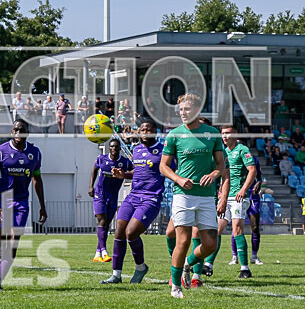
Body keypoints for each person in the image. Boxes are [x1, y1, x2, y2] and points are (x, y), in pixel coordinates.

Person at [160, 93, 227, 298]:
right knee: (183, 240)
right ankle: (175, 287)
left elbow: (221, 165)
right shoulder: (174, 135)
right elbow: (163, 166)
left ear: (197, 110)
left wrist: (214, 174)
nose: (183, 113)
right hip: (183, 195)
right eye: (180, 110)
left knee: (210, 244)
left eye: (187, 109)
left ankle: (188, 264)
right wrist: (179, 179)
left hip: (206, 196)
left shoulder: (212, 133)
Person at [0, 120, 47, 290]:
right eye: (15, 130)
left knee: (14, 242)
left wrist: (43, 206)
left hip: (21, 201)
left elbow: (37, 179)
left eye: (21, 130)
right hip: (0, 200)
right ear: (11, 131)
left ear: (27, 132)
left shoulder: (34, 153)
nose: (18, 133)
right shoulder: (0, 151)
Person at [100, 121, 163, 284]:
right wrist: (124, 174)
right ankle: (116, 275)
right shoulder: (137, 149)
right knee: (119, 231)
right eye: (142, 129)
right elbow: (138, 171)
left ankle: (140, 267)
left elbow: (171, 168)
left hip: (151, 197)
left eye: (149, 129)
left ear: (155, 132)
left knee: (131, 232)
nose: (145, 131)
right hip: (133, 195)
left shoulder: (163, 150)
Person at [219, 126, 258, 279]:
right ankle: (208, 265)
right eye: (222, 133)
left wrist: (243, 189)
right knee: (216, 230)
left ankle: (245, 268)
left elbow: (252, 170)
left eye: (227, 133)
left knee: (237, 230)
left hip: (238, 198)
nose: (224, 136)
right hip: (224, 197)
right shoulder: (221, 152)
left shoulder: (242, 149)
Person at [89, 138, 133, 263]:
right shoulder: (101, 159)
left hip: (113, 196)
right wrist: (90, 186)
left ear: (120, 148)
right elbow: (94, 170)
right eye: (112, 146)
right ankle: (104, 251)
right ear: (109, 148)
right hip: (100, 194)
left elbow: (135, 171)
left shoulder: (124, 162)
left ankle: (98, 253)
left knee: (106, 224)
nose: (114, 148)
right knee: (101, 220)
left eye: (116, 147)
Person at [246, 156, 264, 266]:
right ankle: (235, 256)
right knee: (236, 226)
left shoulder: (254, 159)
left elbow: (259, 177)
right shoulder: (231, 155)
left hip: (253, 196)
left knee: (255, 227)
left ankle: (254, 256)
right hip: (238, 194)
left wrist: (259, 183)